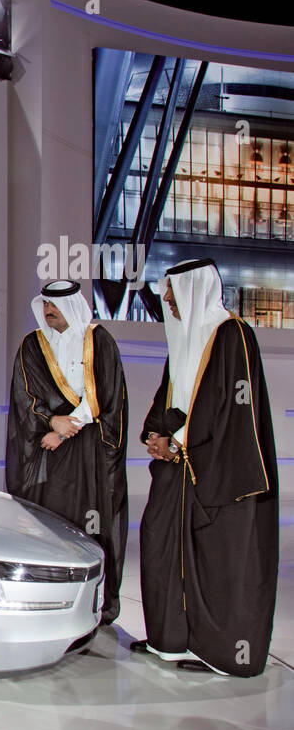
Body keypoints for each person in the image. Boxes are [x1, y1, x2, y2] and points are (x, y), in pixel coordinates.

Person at [133, 259, 277, 676]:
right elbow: (169, 394)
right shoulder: (184, 338)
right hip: (179, 467)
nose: (167, 302)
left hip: (218, 471)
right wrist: (156, 436)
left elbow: (233, 411)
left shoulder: (232, 335)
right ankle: (170, 638)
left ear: (194, 291)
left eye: (173, 293)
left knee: (214, 560)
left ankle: (216, 650)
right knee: (159, 540)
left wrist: (181, 442)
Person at [6, 280, 128, 625]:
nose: (48, 311)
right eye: (45, 304)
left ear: (72, 306)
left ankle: (97, 604)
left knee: (92, 525)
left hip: (88, 452)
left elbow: (109, 392)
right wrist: (51, 422)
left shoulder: (99, 341)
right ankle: (45, 598)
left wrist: (69, 425)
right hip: (46, 453)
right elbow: (23, 395)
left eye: (55, 306)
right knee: (48, 526)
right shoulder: (33, 344)